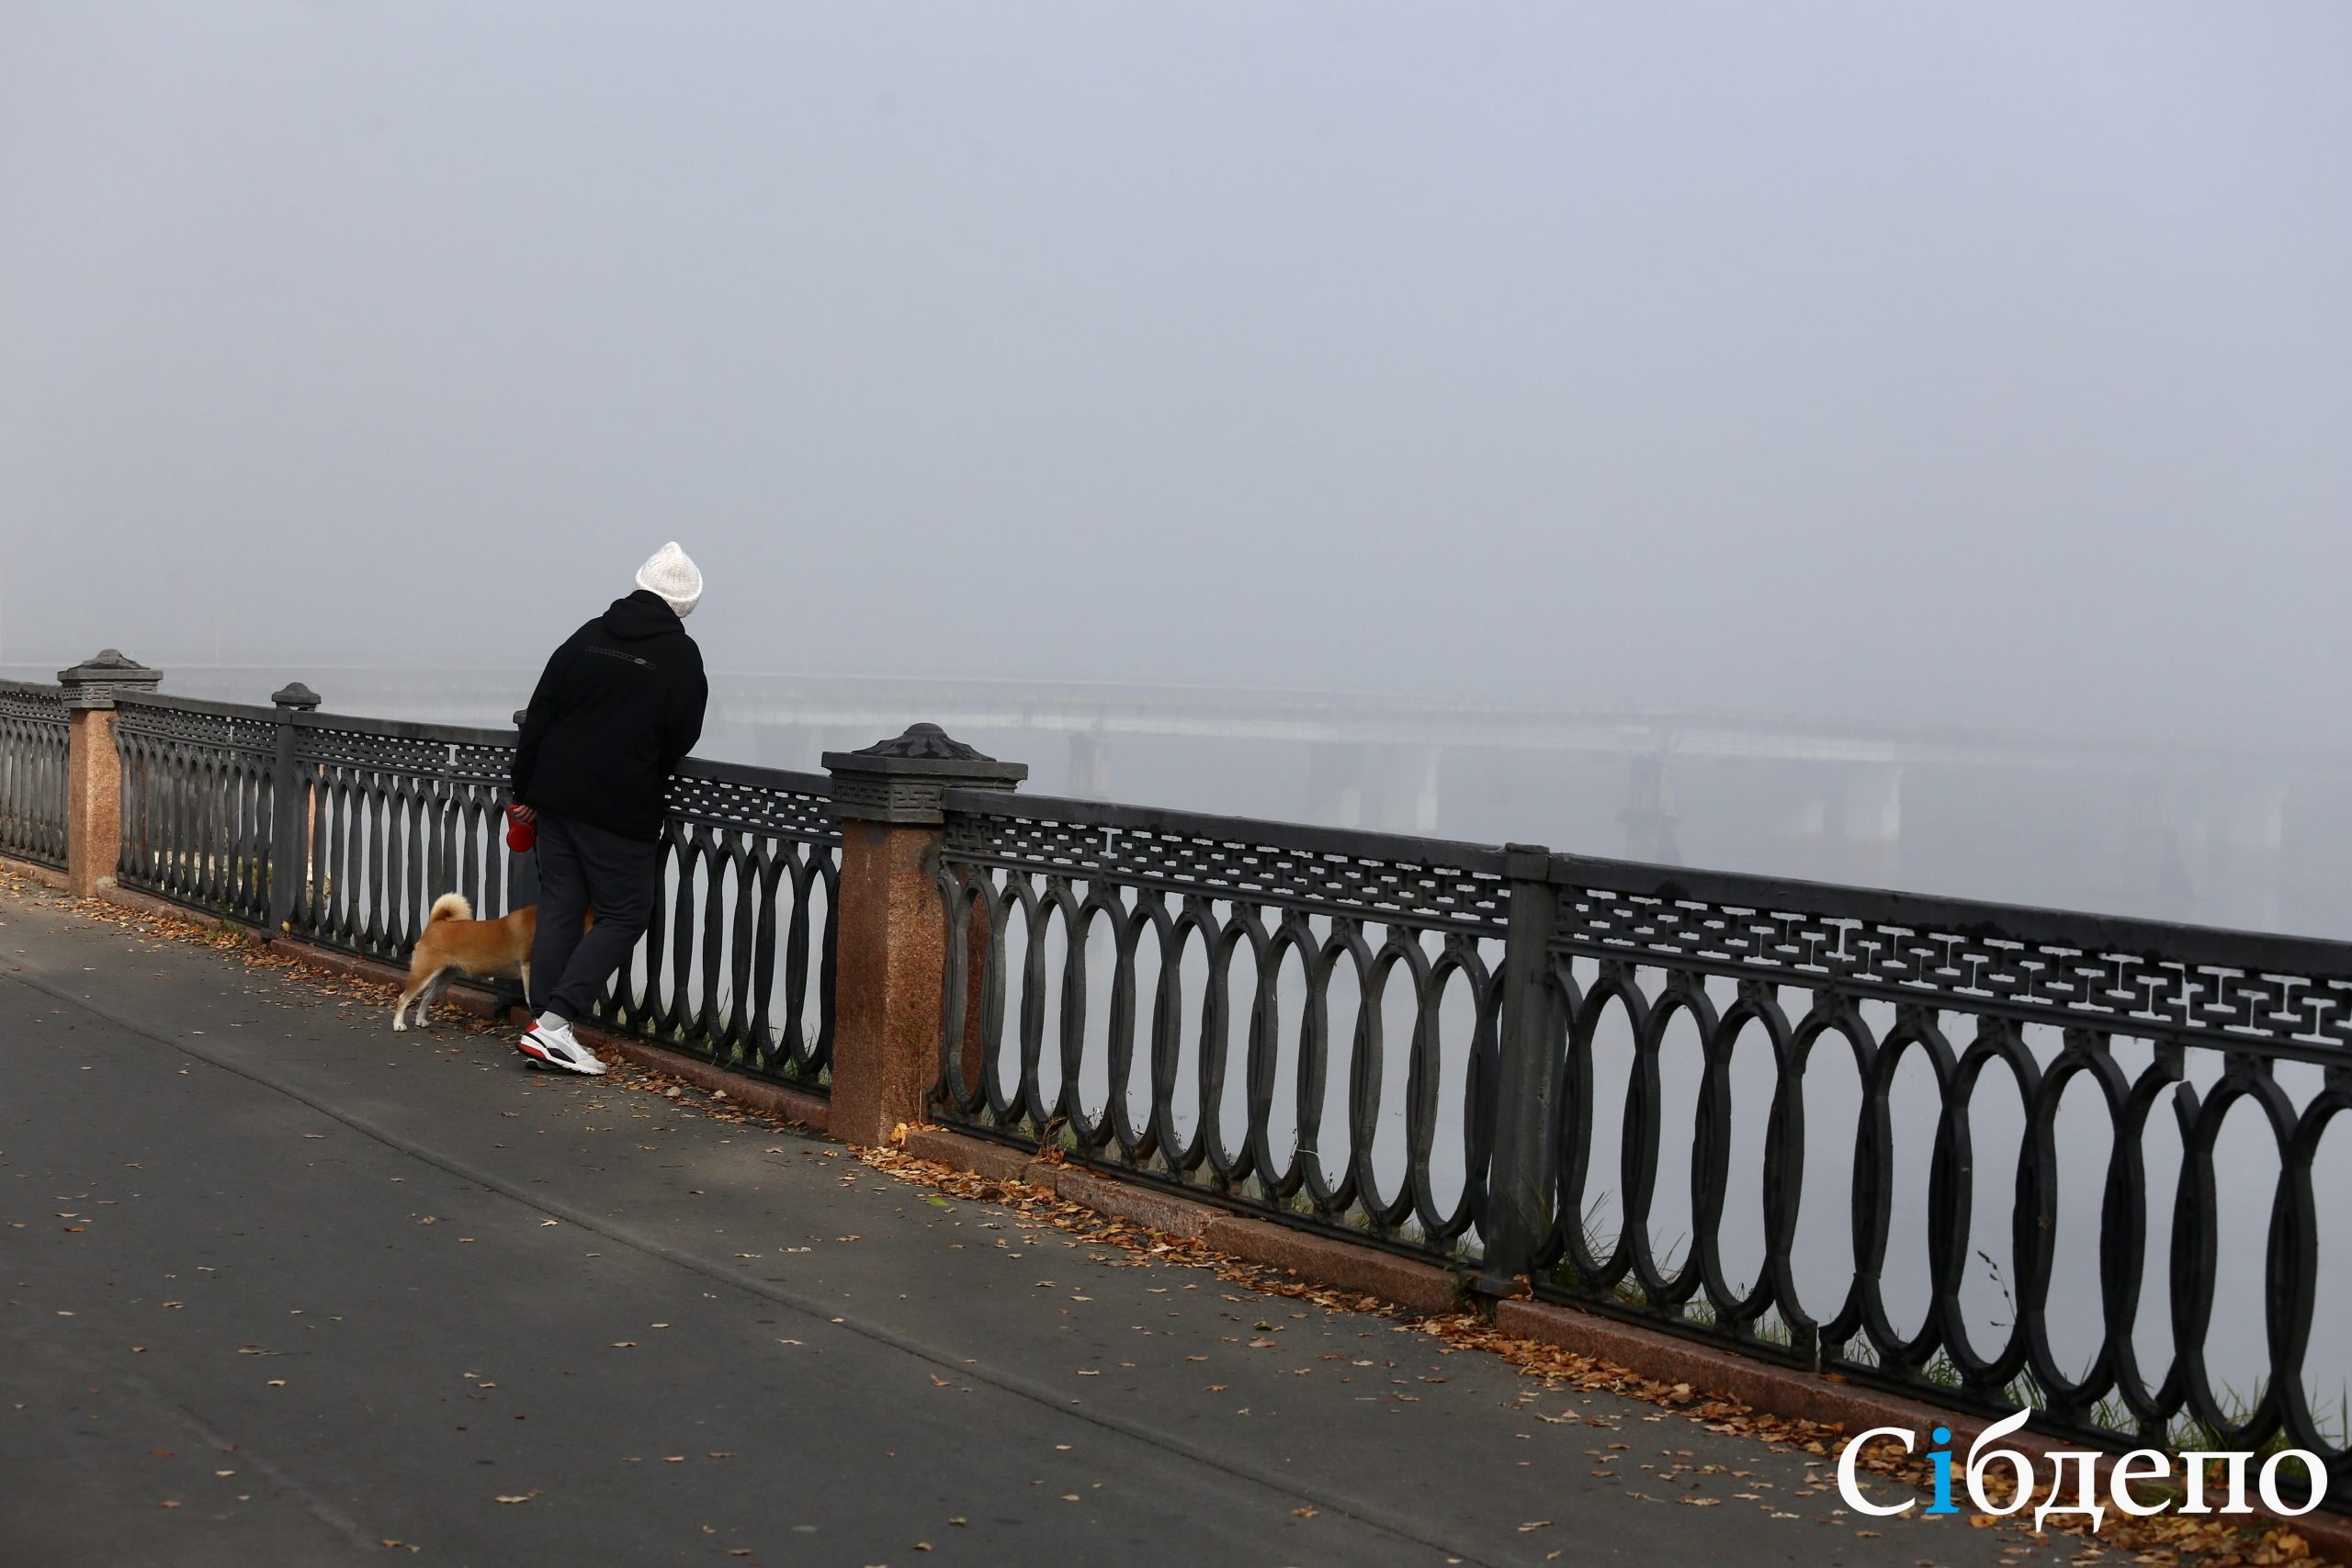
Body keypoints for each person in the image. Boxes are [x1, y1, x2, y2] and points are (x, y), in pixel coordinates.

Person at [506, 542, 708, 1074]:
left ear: (640, 584)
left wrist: (523, 789)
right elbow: (680, 736)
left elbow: (541, 713)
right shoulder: (680, 656)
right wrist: (640, 766)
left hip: (555, 797)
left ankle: (543, 1025)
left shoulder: (587, 636)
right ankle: (554, 1026)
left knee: (561, 909)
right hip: (618, 806)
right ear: (685, 603)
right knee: (625, 912)